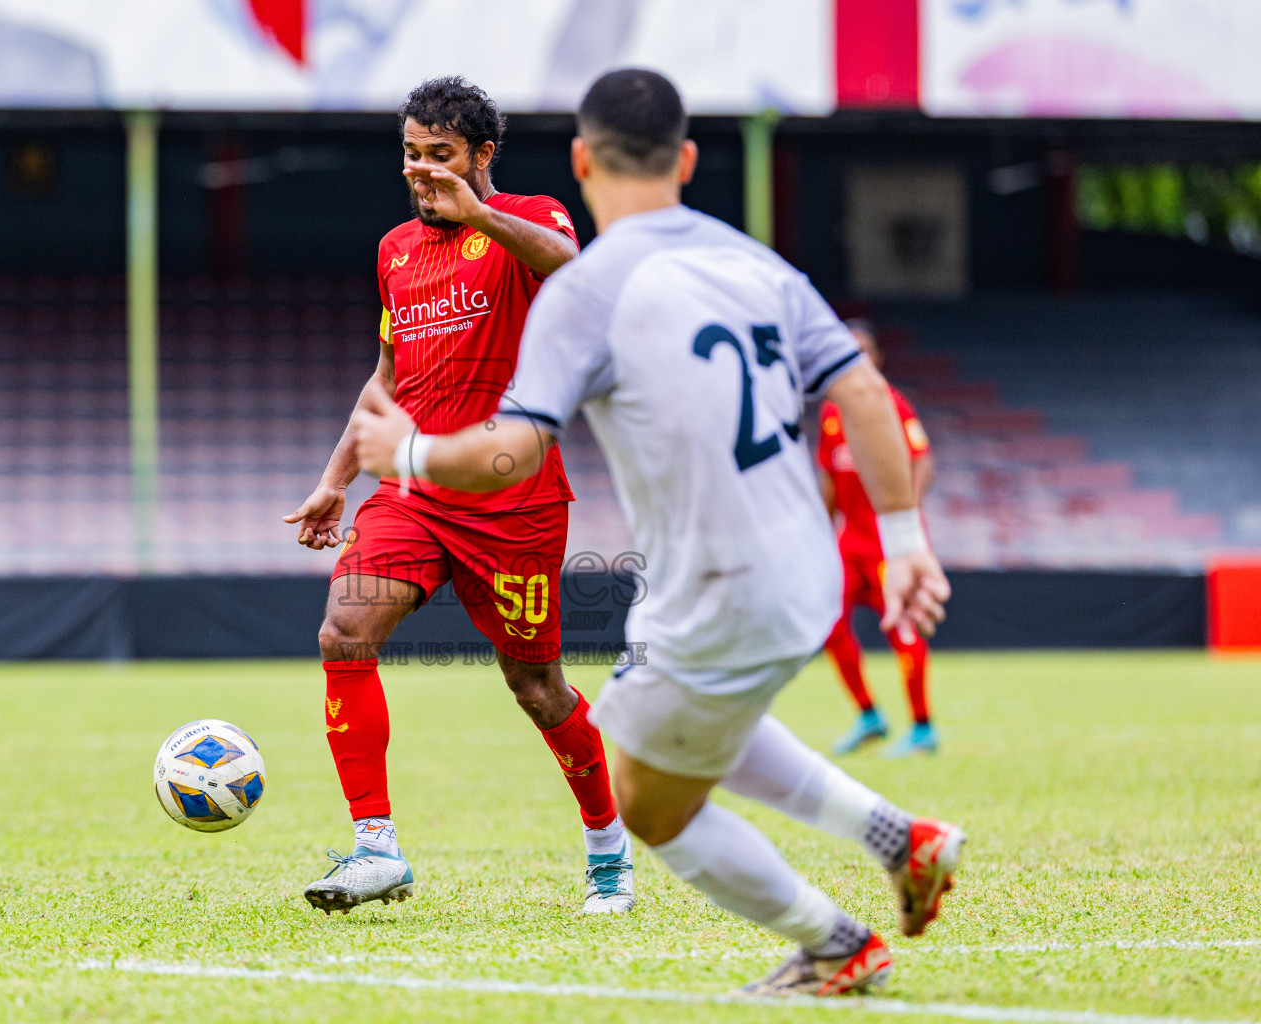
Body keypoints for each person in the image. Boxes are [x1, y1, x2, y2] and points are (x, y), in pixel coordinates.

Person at [349, 69, 964, 997]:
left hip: (716, 582)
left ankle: (837, 943)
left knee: (646, 797)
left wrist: (408, 455)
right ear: (684, 160)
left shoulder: (590, 289)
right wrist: (909, 540)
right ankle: (901, 838)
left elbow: (509, 456)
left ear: (580, 162)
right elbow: (866, 393)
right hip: (807, 572)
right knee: (696, 727)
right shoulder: (758, 264)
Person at [282, 76, 634, 917]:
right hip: (413, 490)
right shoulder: (394, 250)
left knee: (537, 686)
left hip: (513, 498)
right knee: (344, 629)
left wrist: (478, 215)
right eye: (410, 153)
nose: (420, 171)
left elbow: (575, 276)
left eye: (440, 155)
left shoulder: (533, 216)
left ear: (482, 157)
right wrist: (337, 480)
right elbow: (388, 377)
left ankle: (607, 845)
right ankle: (376, 849)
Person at [818, 319, 940, 757]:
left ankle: (923, 726)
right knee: (828, 624)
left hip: (888, 544)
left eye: (865, 351)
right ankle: (869, 714)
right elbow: (829, 477)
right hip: (849, 543)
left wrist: (905, 519)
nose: (858, 360)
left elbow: (923, 462)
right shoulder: (832, 414)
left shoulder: (892, 404)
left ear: (878, 358)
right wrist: (821, 531)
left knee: (903, 627)